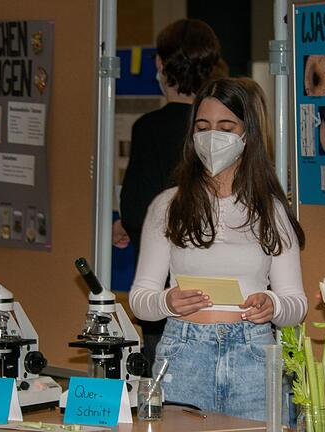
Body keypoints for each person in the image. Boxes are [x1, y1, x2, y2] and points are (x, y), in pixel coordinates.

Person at [129, 77, 307, 421]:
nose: (212, 136)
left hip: (255, 355)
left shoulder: (270, 211)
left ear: (246, 134)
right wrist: (167, 300)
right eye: (203, 126)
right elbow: (141, 299)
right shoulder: (169, 206)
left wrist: (272, 305)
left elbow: (296, 306)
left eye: (226, 126)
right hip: (183, 353)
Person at [115, 19, 221, 373]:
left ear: (160, 66)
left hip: (167, 295)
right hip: (228, 298)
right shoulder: (228, 127)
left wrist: (129, 224)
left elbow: (137, 208)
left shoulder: (149, 129)